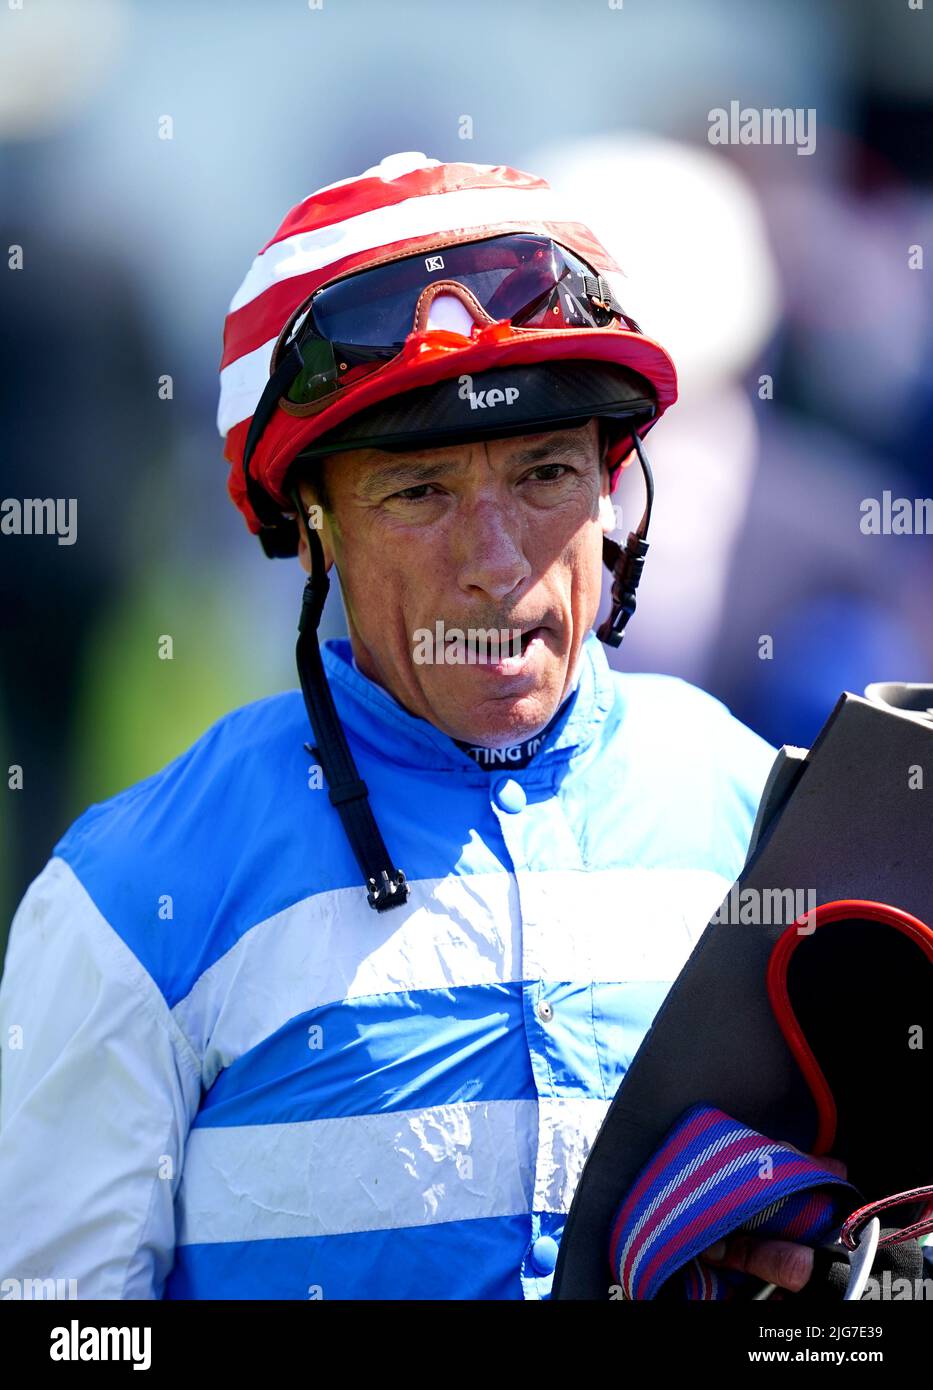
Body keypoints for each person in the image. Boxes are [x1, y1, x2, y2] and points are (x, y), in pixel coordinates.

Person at [1, 152, 802, 1301]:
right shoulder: (129, 894)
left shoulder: (765, 807)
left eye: (543, 475)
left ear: (614, 495)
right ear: (313, 523)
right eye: (419, 493)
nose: (495, 565)